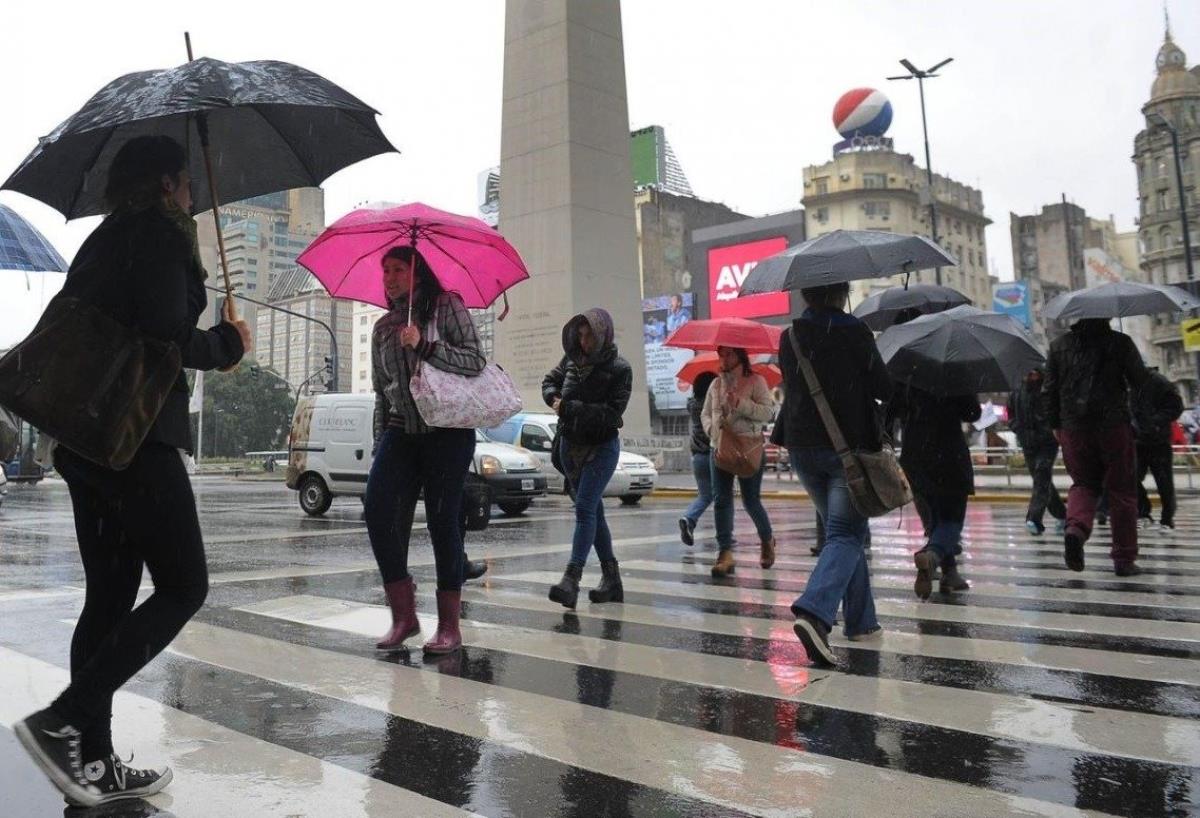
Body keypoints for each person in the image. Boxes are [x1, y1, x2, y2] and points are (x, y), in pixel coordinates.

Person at [14, 135, 252, 808]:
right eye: (187, 186)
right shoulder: (156, 235)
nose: (192, 196)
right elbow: (166, 330)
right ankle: (65, 718)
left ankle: (90, 764)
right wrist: (227, 343)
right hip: (135, 440)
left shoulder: (105, 239)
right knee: (184, 585)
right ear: (168, 183)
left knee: (111, 598)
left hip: (87, 443)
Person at [367, 245, 486, 655]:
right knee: (377, 508)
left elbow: (475, 360)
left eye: (398, 269)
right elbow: (382, 393)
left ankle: (449, 625)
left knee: (442, 520)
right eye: (386, 270)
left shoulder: (446, 306)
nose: (390, 277)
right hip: (401, 431)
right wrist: (381, 440)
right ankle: (405, 616)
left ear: (418, 273)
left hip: (447, 431)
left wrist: (425, 346)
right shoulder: (383, 328)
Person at [780, 282, 891, 668]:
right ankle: (815, 613)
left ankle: (862, 622)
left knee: (843, 532)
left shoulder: (790, 336)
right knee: (846, 534)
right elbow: (882, 387)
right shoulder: (854, 331)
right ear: (842, 292)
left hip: (802, 448)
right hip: (846, 448)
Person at [543, 308, 633, 609]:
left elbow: (612, 414)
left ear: (603, 334)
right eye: (580, 334)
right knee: (595, 513)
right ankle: (612, 580)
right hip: (569, 446)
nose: (584, 341)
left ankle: (572, 579)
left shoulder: (620, 368)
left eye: (590, 334)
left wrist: (571, 408)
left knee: (584, 509)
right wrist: (554, 399)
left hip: (601, 448)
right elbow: (549, 382)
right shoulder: (570, 360)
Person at [1044, 318, 1149, 576]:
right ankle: (1124, 558)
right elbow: (1141, 382)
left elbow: (1049, 391)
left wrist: (1056, 424)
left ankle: (1075, 530)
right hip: (1113, 426)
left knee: (1083, 484)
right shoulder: (1120, 342)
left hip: (1073, 428)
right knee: (1122, 491)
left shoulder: (1058, 347)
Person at [891, 387, 981, 598]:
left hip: (915, 456)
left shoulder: (905, 373)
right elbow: (972, 413)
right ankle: (931, 555)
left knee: (934, 519)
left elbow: (893, 409)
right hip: (949, 454)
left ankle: (950, 574)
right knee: (951, 520)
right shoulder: (955, 371)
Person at [701, 346, 777, 575]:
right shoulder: (715, 385)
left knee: (750, 500)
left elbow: (768, 413)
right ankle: (725, 552)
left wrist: (740, 404)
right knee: (721, 500)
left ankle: (767, 540)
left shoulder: (756, 381)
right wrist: (711, 431)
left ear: (739, 356)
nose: (722, 358)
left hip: (748, 448)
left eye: (728, 353)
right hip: (721, 448)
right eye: (720, 353)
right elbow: (704, 413)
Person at [1009, 368, 1066, 536]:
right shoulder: (1017, 391)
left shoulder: (1048, 389)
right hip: (1028, 443)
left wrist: (1050, 430)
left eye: (1034, 372)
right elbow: (1010, 414)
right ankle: (1063, 515)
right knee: (1042, 480)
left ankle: (1034, 518)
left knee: (1041, 476)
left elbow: (1057, 411)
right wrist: (1017, 428)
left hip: (1047, 443)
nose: (1030, 375)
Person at [1132, 366, 1184, 532]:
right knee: (1131, 478)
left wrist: (1154, 422)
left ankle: (1167, 519)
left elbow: (1176, 407)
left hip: (1158, 441)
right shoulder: (1127, 383)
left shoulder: (1159, 382)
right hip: (1137, 441)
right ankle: (1143, 514)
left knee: (1164, 482)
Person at [679, 371, 717, 546]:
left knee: (705, 495)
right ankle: (725, 535)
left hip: (697, 457)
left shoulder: (692, 405)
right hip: (713, 455)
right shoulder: (711, 407)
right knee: (721, 496)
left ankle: (689, 518)